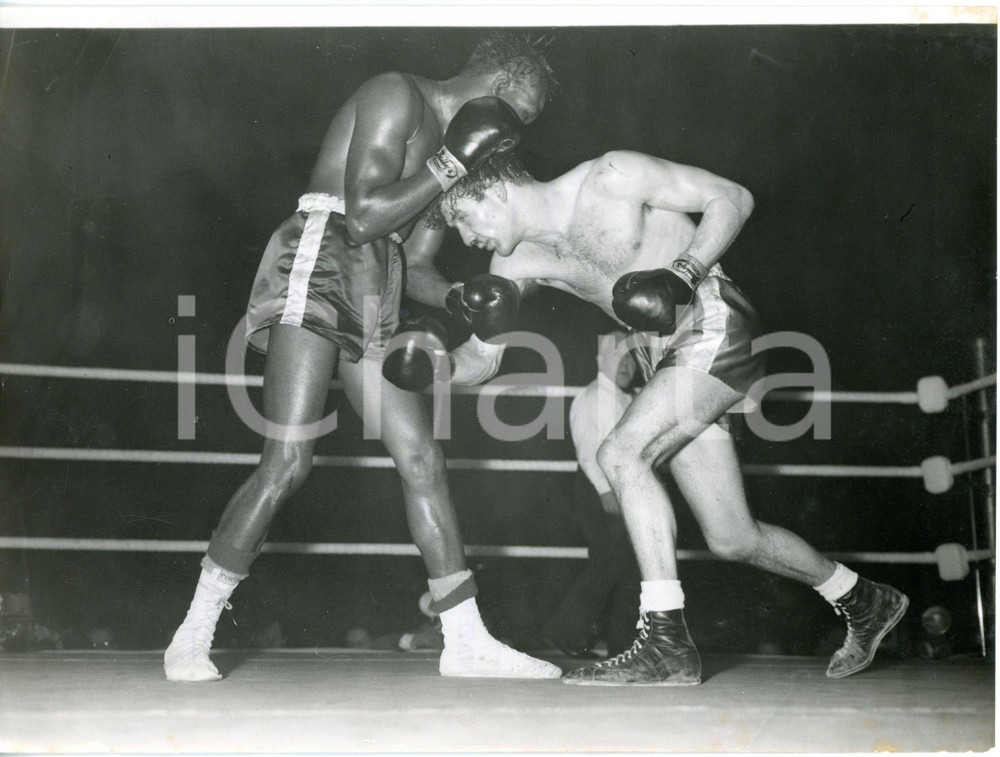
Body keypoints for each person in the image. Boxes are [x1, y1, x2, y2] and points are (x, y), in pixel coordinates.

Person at [403, 150, 909, 685]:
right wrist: (437, 367)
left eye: (461, 216)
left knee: (621, 453)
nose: (463, 237)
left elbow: (733, 198)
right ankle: (861, 597)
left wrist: (681, 273)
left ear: (497, 188)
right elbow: (484, 360)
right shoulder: (513, 265)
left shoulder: (612, 177)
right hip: (662, 359)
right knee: (733, 536)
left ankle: (666, 642)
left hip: (711, 319)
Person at [163, 33, 561, 682]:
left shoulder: (453, 153)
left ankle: (465, 639)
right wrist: (452, 165)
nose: (517, 131)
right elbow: (363, 218)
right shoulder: (394, 94)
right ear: (496, 81)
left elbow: (420, 262)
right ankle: (193, 630)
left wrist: (465, 296)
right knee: (288, 460)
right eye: (521, 111)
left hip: (382, 284)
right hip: (320, 259)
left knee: (422, 455)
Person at [539, 330, 642, 658]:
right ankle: (563, 631)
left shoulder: (626, 397)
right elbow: (587, 450)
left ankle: (622, 645)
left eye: (631, 358)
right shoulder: (595, 396)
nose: (626, 364)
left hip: (621, 488)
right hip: (599, 488)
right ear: (602, 360)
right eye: (618, 357)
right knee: (610, 563)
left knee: (626, 568)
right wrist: (604, 490)